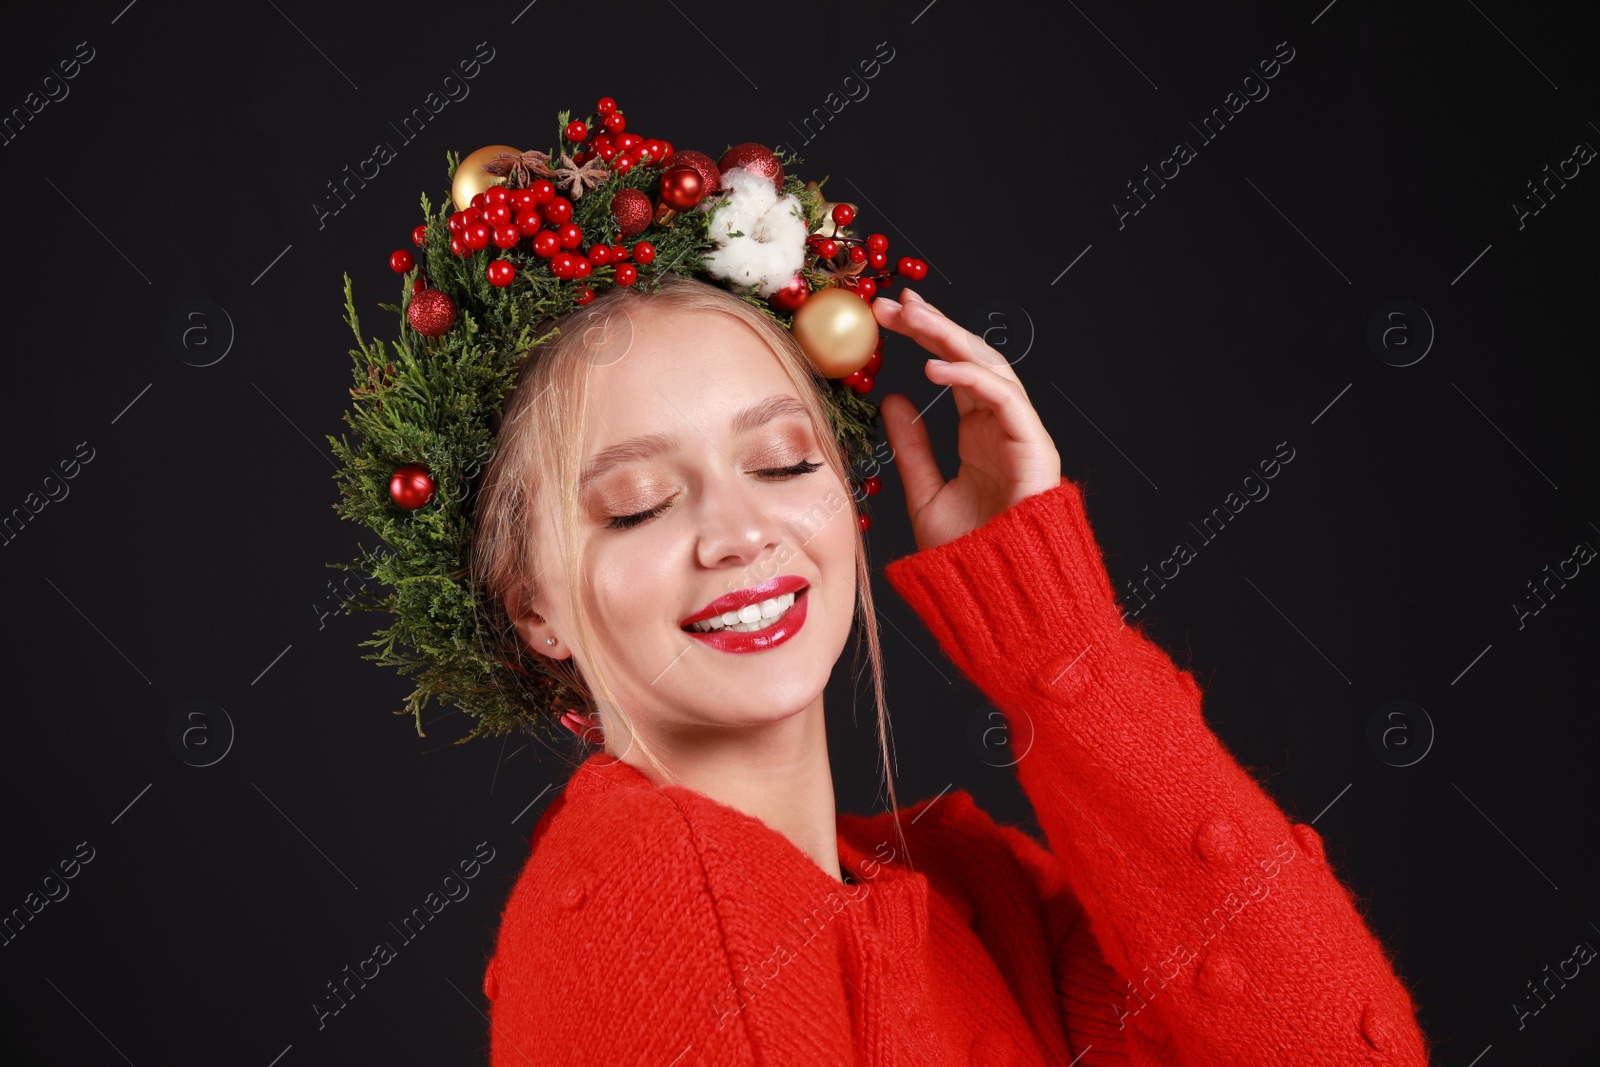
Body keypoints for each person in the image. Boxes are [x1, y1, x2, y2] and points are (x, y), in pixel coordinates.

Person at [469, 273, 1435, 1065]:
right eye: (637, 505)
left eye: (781, 462)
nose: (740, 534)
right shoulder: (651, 906)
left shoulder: (978, 894)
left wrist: (1056, 640)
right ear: (533, 606)